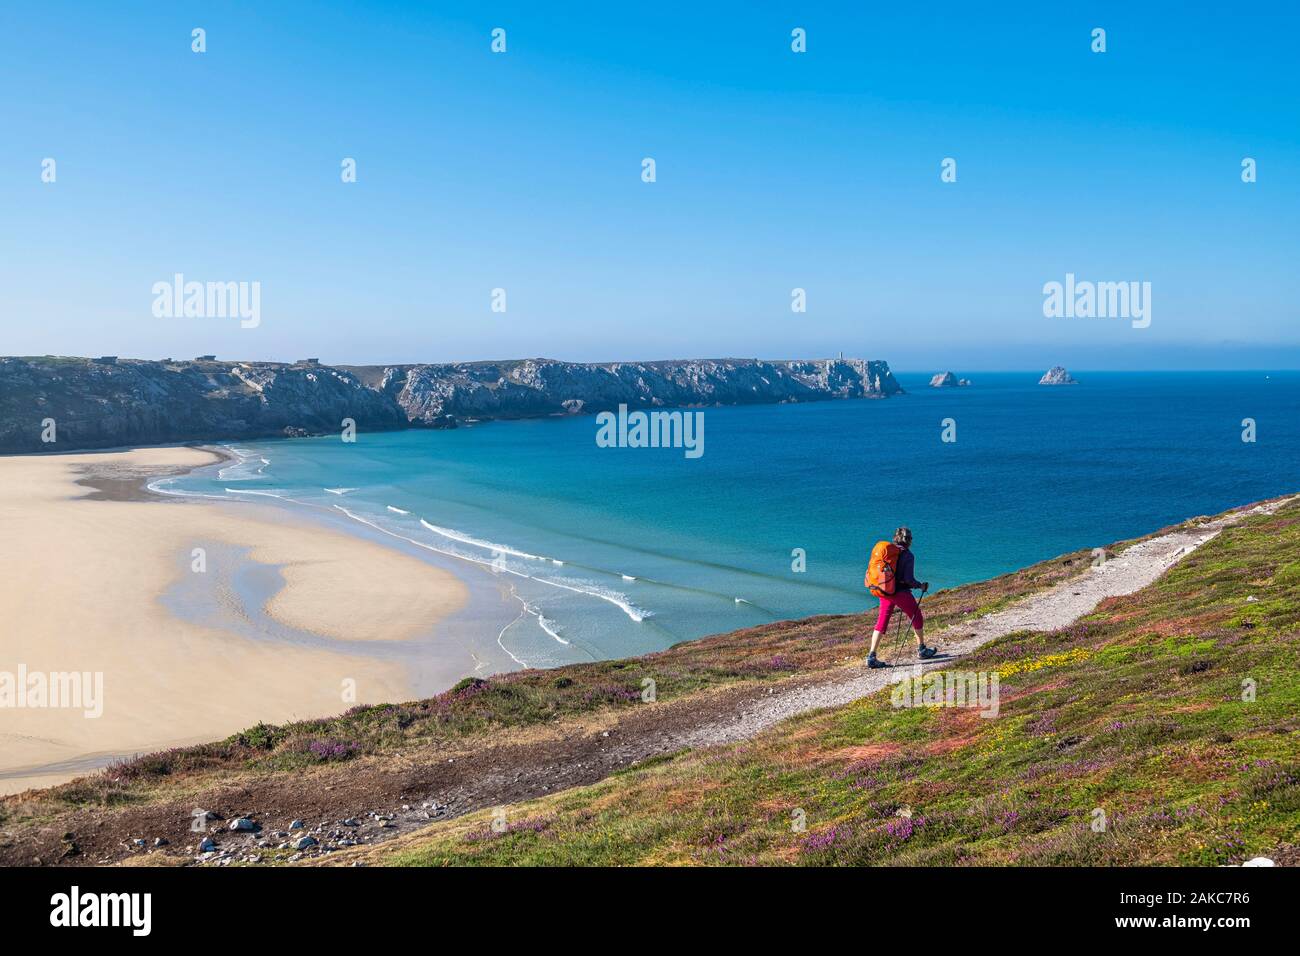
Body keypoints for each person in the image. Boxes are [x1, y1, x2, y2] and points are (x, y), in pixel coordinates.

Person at [867, 526, 938, 668]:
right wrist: (920, 586)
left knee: (881, 622)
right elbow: (908, 580)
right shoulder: (908, 555)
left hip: (885, 591)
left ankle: (871, 656)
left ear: (896, 538)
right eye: (910, 538)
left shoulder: (889, 552)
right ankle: (922, 649)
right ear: (909, 540)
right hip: (900, 593)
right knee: (916, 616)